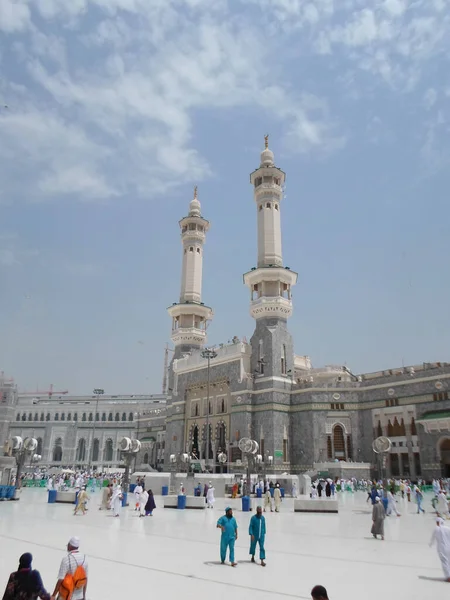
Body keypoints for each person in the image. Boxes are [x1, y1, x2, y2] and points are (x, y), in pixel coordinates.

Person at [429, 517, 450, 582]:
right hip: (449, 547)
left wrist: (430, 544)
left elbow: (432, 538)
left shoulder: (436, 529)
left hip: (441, 549)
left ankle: (448, 577)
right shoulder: (448, 528)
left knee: (444, 562)